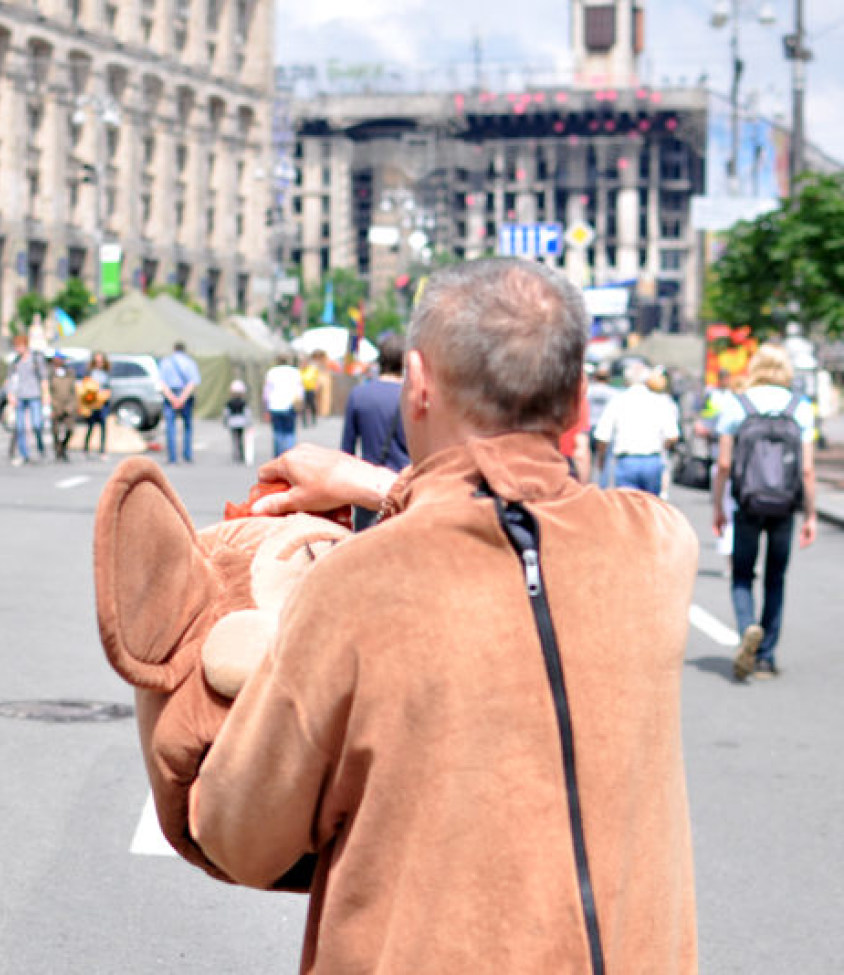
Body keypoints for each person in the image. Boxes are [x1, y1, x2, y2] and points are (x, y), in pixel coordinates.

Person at [187, 258, 699, 973]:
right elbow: (527, 512)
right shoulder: (659, 547)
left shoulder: (355, 583)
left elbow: (239, 832)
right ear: (581, 402)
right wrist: (377, 484)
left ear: (417, 384)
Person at [711, 344, 817, 681]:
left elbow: (724, 463)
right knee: (776, 578)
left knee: (743, 574)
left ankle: (747, 630)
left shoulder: (737, 404)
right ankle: (766, 659)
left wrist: (718, 506)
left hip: (747, 501)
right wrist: (811, 515)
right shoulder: (799, 406)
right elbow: (808, 470)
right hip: (784, 504)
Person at [339, 335, 410, 529]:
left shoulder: (359, 395)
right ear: (404, 362)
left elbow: (347, 451)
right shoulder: (411, 397)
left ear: (380, 361)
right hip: (404, 489)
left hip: (368, 487)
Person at [591, 360, 679, 494]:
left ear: (626, 380)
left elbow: (602, 436)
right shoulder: (659, 402)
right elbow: (673, 436)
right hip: (652, 460)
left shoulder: (618, 401)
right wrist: (662, 449)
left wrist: (602, 458)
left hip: (627, 461)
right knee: (650, 507)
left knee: (628, 508)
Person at [8, 334, 49, 466]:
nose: (18, 349)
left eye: (19, 346)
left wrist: (46, 394)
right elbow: (12, 380)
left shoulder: (35, 359)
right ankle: (24, 454)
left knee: (37, 424)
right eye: (16, 346)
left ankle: (40, 446)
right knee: (20, 427)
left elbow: (43, 378)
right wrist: (11, 394)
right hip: (20, 396)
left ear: (25, 345)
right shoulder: (15, 362)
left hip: (34, 395)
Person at [158, 341, 200, 464]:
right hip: (185, 394)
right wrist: (182, 398)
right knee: (187, 426)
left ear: (174, 349)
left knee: (170, 426)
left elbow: (162, 383)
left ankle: (172, 457)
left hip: (170, 394)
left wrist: (172, 398)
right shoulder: (190, 362)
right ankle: (187, 455)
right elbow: (192, 383)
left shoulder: (165, 362)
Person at [262, 353, 304, 458]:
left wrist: (266, 407)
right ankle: (290, 455)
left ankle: (279, 456)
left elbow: (266, 393)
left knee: (278, 432)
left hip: (275, 405)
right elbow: (300, 391)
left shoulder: (271, 372)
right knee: (290, 432)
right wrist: (300, 405)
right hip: (290, 405)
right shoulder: (295, 372)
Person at [48, 353, 79, 462]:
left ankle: (63, 446)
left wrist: (72, 406)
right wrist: (52, 406)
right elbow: (48, 391)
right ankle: (58, 449)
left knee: (70, 429)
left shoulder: (69, 373)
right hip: (55, 406)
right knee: (55, 431)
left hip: (68, 405)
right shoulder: (50, 374)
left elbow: (73, 392)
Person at [80, 352, 111, 456]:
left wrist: (106, 394)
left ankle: (102, 451)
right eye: (97, 361)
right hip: (92, 402)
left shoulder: (106, 373)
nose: (99, 363)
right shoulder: (90, 372)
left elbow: (109, 387)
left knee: (103, 427)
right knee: (91, 426)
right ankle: (86, 448)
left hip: (103, 403)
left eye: (101, 361)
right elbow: (85, 386)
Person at [222, 378, 253, 464]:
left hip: (232, 423)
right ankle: (241, 453)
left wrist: (225, 422)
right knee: (241, 438)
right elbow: (247, 414)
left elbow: (226, 414)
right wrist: (249, 423)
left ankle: (236, 454)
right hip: (242, 423)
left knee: (235, 439)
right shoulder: (243, 403)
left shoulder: (229, 403)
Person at [299, 354, 320, 427]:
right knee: (303, 406)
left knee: (312, 405)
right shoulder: (300, 371)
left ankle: (314, 418)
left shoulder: (312, 370)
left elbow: (316, 379)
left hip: (311, 389)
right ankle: (304, 422)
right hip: (303, 390)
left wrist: (316, 388)